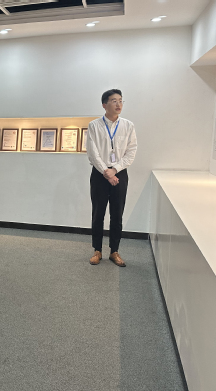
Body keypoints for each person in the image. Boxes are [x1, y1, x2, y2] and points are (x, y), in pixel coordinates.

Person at [86, 89, 137, 267]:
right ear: (104, 104)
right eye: (114, 101)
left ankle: (114, 251)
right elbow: (92, 153)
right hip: (99, 174)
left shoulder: (128, 125)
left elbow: (131, 152)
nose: (118, 104)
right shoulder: (94, 126)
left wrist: (114, 170)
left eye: (121, 100)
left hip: (120, 174)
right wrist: (106, 171)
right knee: (98, 213)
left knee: (117, 213)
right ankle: (97, 250)